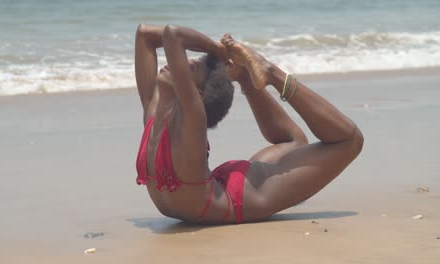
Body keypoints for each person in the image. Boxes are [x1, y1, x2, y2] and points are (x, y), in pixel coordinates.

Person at [134, 24, 364, 225]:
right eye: (188, 65)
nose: (180, 63)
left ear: (197, 95)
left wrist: (218, 52)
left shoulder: (192, 117)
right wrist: (217, 53)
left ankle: (270, 73)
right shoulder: (153, 111)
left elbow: (173, 35)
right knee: (293, 142)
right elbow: (145, 34)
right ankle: (245, 75)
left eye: (190, 68)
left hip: (242, 198)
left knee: (350, 140)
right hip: (220, 188)